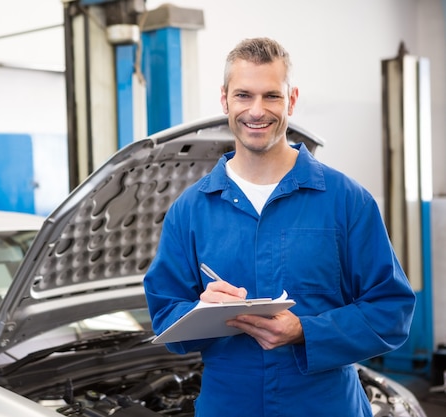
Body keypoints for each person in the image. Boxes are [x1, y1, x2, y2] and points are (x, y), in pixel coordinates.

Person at [143, 37, 416, 416]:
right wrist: (199, 310)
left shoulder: (346, 200)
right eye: (243, 95)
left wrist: (306, 331)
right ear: (224, 99)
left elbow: (392, 310)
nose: (256, 110)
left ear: (292, 99)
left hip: (325, 406)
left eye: (271, 96)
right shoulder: (189, 211)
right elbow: (164, 315)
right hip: (229, 405)